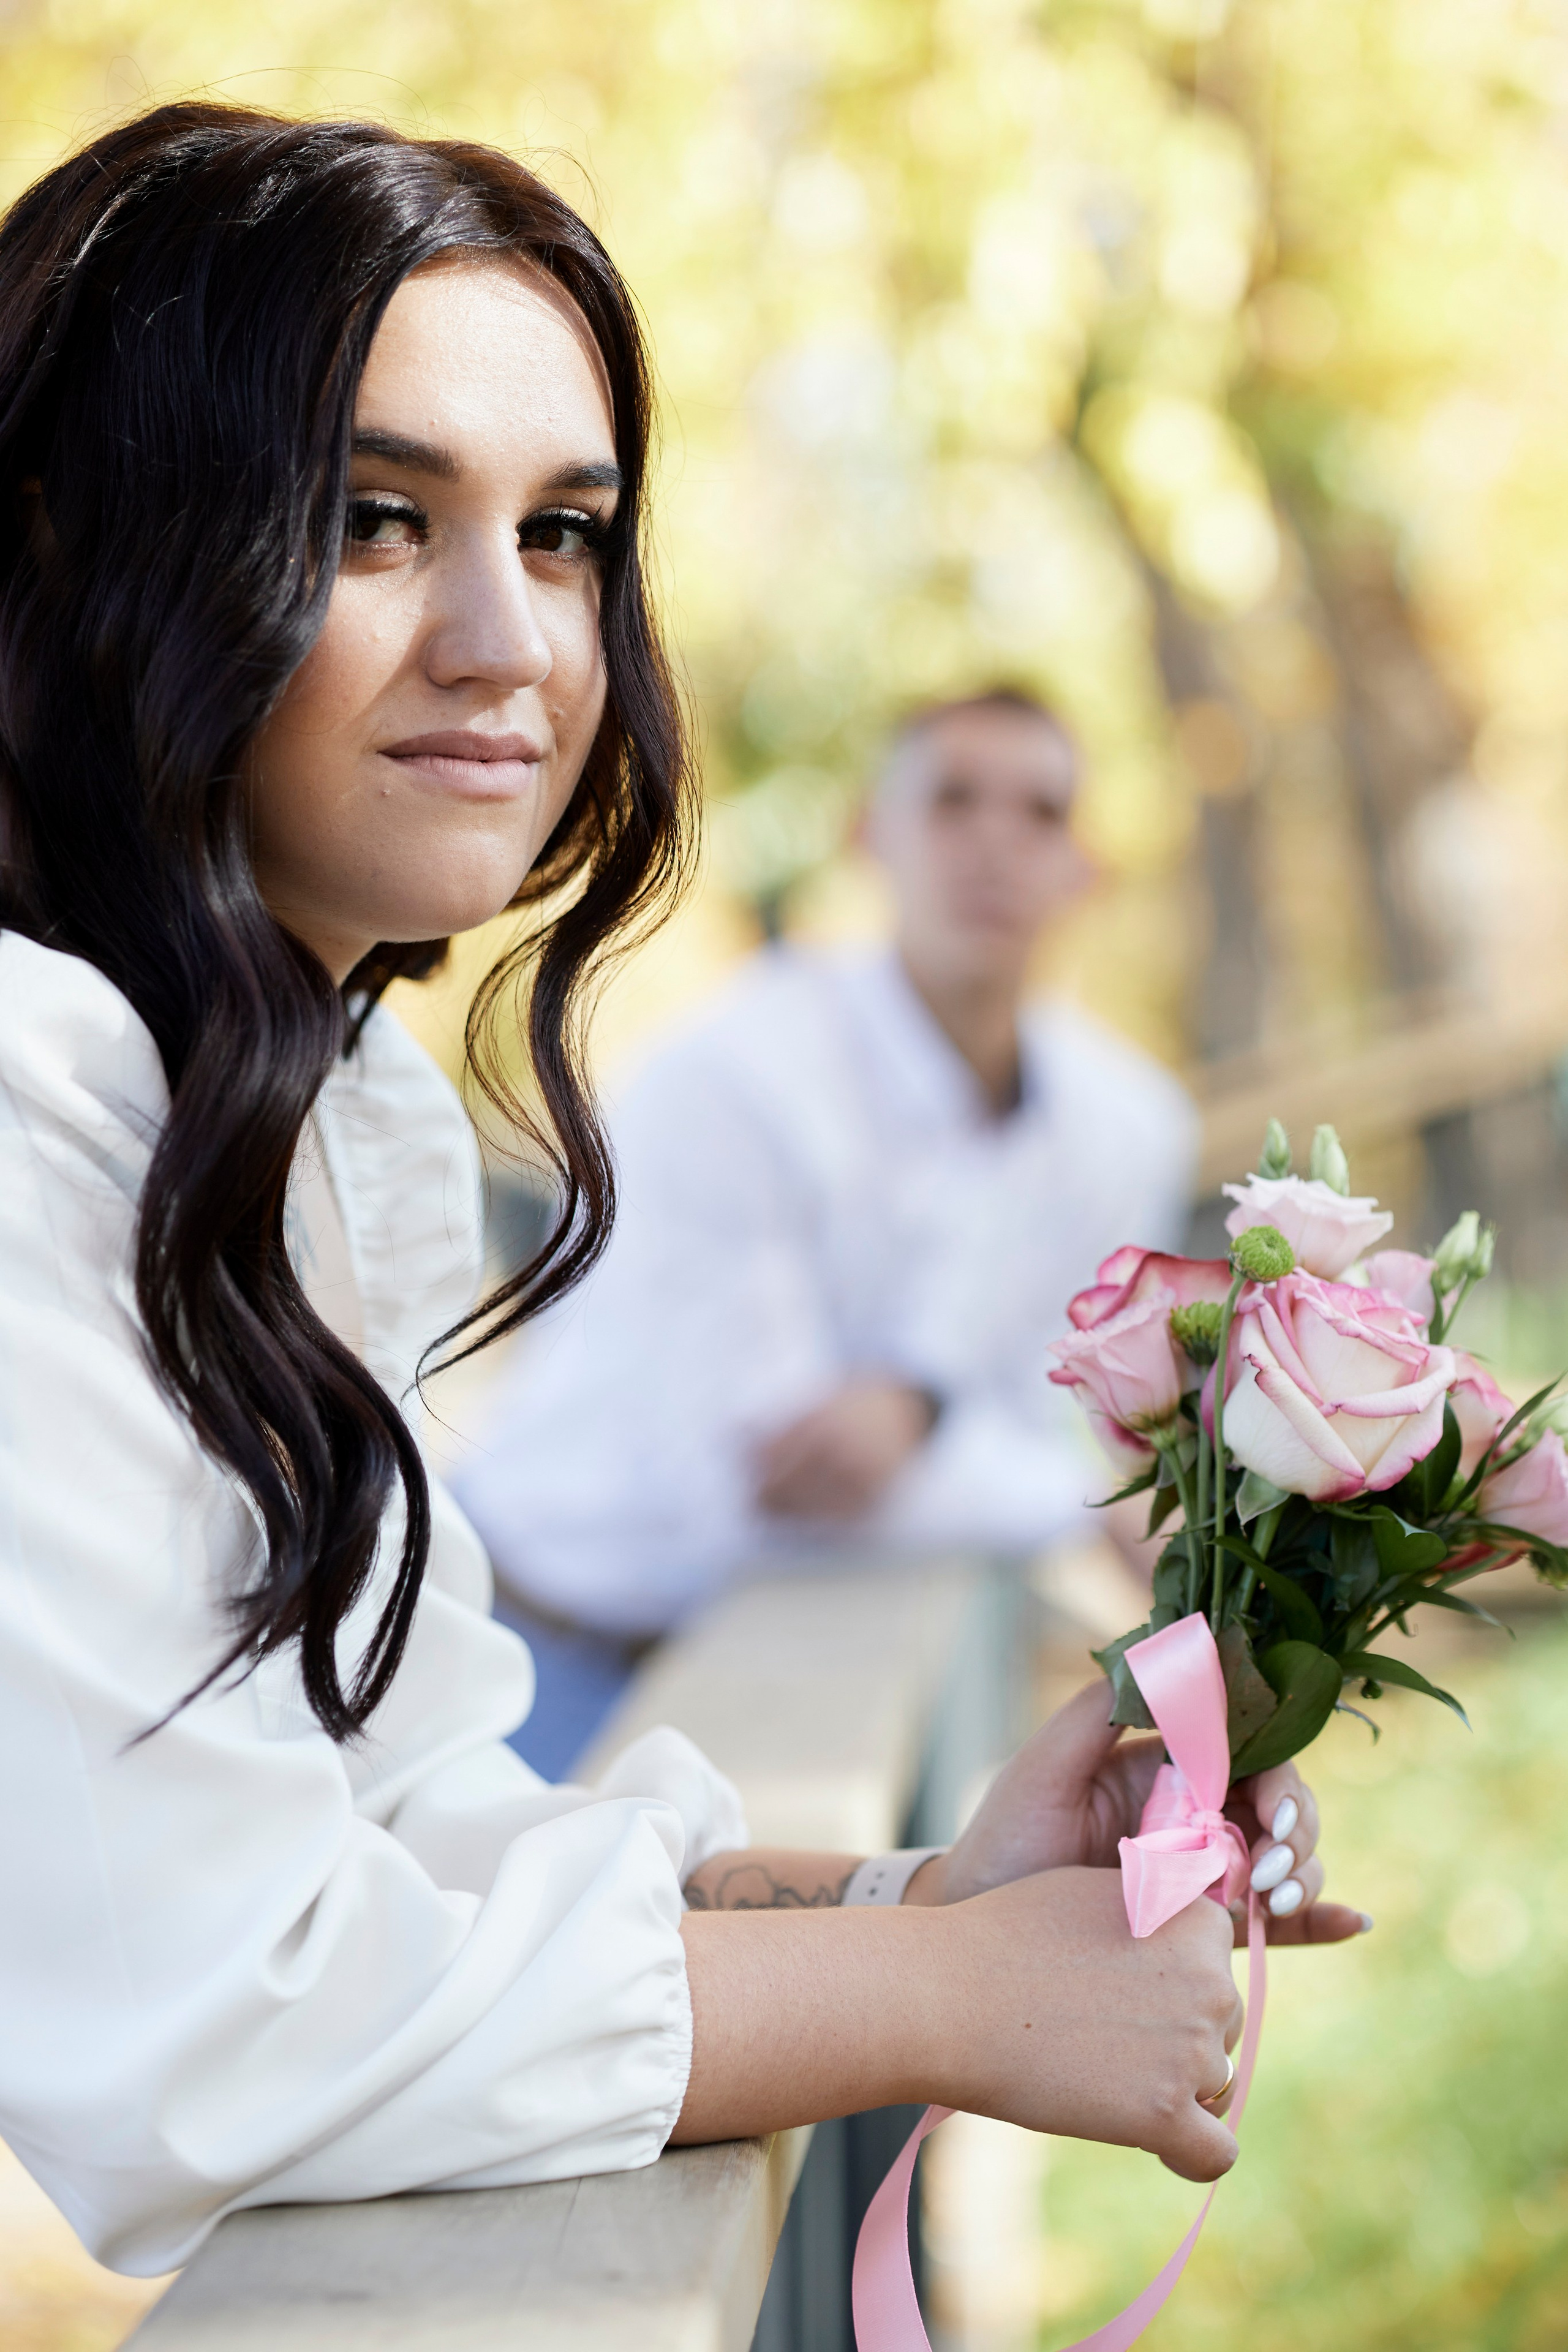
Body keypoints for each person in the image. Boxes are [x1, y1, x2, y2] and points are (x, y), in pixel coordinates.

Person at [0, 102, 1363, 2286]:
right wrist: (951, 2003)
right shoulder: (23, 1112)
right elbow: (224, 2020)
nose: (513, 645)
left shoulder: (329, 1108)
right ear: (79, 544)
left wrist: (923, 1894)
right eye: (370, 518)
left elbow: (410, 1811)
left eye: (562, 534)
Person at [456, 688, 1196, 1774]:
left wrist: (915, 1411)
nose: (994, 842)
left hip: (790, 1662)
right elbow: (779, 1462)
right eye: (951, 800)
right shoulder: (730, 1076)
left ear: (1086, 867)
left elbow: (1052, 1401)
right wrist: (1079, 1503)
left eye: (1040, 813)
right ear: (868, 833)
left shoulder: (1126, 1126)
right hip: (538, 1639)